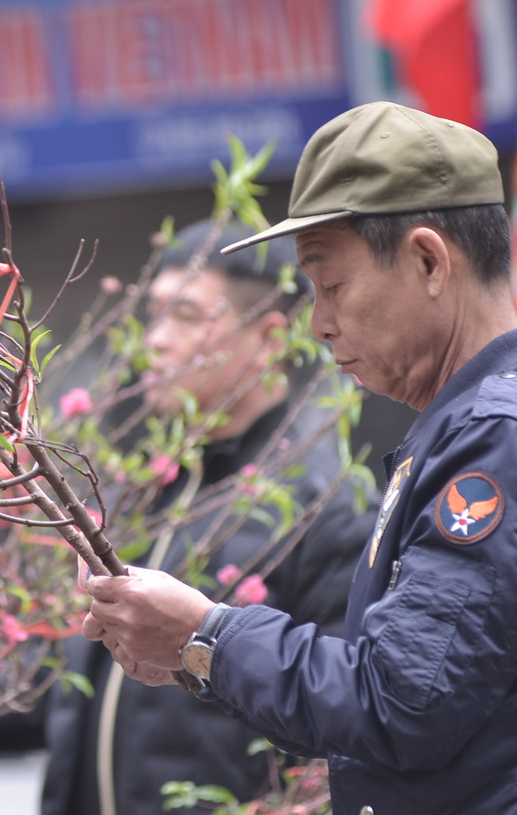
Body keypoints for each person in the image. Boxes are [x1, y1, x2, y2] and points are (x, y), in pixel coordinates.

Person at [83, 102, 517, 813]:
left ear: (429, 260)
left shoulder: (503, 437)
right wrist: (198, 651)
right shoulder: (490, 425)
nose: (319, 322)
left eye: (330, 285)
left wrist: (204, 634)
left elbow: (402, 700)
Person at [42, 220, 372, 815]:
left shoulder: (322, 506)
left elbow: (343, 718)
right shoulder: (143, 486)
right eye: (155, 315)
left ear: (271, 339)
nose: (156, 342)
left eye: (186, 316)